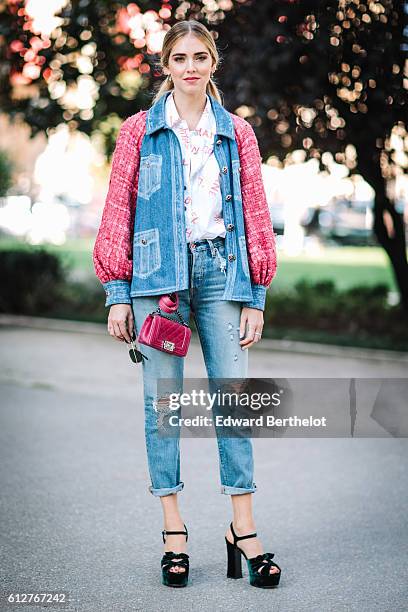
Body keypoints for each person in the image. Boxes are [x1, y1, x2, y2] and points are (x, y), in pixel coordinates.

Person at [93, 19, 281, 589]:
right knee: (164, 408)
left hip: (224, 272)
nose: (191, 66)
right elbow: (117, 214)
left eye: (201, 56)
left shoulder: (237, 132)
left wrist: (257, 295)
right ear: (166, 66)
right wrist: (118, 293)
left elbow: (254, 214)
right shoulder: (137, 131)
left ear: (213, 63)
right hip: (156, 279)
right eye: (180, 58)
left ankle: (242, 530)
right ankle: (174, 532)